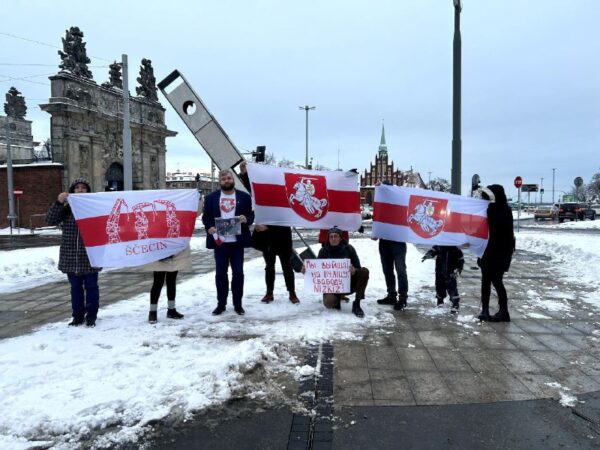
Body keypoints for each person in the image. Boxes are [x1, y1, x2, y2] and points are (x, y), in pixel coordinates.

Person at [239, 162, 299, 304]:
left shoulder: (287, 194)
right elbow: (252, 189)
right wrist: (244, 174)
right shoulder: (264, 193)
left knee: (287, 266)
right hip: (268, 239)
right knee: (269, 266)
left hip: (283, 236)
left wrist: (269, 227)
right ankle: (269, 293)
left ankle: (292, 293)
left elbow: (288, 216)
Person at [45, 178, 101, 327]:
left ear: (88, 191)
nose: (80, 190)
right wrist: (58, 202)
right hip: (71, 256)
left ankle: (91, 317)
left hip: (90, 256)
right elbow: (50, 220)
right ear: (72, 191)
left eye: (83, 188)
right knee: (75, 289)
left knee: (91, 287)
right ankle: (77, 316)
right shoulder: (66, 209)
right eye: (77, 188)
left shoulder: (94, 208)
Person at [202, 169, 254, 315]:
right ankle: (221, 304)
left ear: (233, 180)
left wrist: (246, 219)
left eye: (229, 178)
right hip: (220, 242)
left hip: (237, 242)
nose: (226, 180)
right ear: (220, 182)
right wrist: (209, 227)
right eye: (223, 179)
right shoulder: (211, 197)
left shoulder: (244, 197)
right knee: (220, 274)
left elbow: (251, 215)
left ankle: (238, 304)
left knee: (238, 273)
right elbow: (206, 217)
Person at [303, 226, 369, 318]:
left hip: (348, 283)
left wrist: (354, 270)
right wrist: (307, 270)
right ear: (328, 238)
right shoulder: (323, 251)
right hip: (331, 286)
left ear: (340, 238)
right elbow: (316, 271)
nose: (333, 239)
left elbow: (358, 267)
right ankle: (337, 299)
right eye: (331, 236)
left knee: (364, 271)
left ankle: (357, 304)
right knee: (329, 303)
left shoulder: (349, 248)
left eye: (336, 236)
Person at [478, 184, 515, 322]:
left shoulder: (503, 210)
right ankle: (485, 310)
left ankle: (504, 311)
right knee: (485, 281)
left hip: (500, 253)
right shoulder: (494, 209)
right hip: (489, 252)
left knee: (496, 281)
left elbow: (496, 229)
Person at [373, 181, 409, 310]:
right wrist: (375, 232)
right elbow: (377, 220)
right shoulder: (381, 205)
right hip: (384, 242)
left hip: (398, 242)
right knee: (387, 270)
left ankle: (403, 297)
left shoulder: (400, 203)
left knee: (400, 271)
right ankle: (391, 295)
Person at [142, 247, 190, 323]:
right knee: (158, 282)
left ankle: (171, 309)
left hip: (174, 253)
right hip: (159, 252)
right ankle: (152, 312)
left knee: (171, 281)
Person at [421, 245, 464, 314]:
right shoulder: (440, 246)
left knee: (452, 287)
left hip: (451, 271)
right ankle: (440, 300)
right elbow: (434, 250)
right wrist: (429, 254)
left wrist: (458, 269)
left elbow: (461, 260)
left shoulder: (455, 249)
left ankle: (455, 303)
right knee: (439, 285)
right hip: (440, 270)